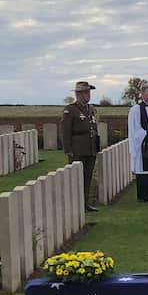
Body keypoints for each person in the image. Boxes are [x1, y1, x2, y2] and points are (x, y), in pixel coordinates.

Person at [61, 80, 101, 211]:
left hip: (90, 148)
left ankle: (85, 203)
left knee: (87, 177)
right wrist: (68, 149)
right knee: (77, 178)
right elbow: (65, 131)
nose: (88, 95)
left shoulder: (90, 109)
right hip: (77, 149)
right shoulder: (71, 110)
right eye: (85, 93)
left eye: (88, 92)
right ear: (78, 94)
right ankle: (75, 204)